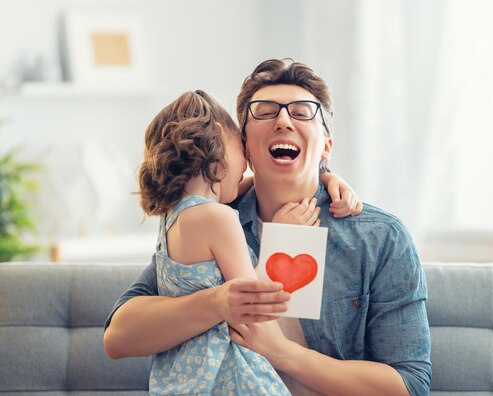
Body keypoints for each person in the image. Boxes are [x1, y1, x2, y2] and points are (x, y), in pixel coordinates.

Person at [104, 59, 431, 395]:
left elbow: (410, 386)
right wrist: (220, 302)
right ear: (243, 146)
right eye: (265, 111)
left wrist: (283, 352)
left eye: (302, 112)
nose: (283, 120)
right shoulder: (212, 221)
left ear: (326, 147)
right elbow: (118, 337)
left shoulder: (380, 236)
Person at [134, 89, 361, 395]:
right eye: (242, 147)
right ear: (218, 139)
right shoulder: (220, 218)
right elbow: (252, 302)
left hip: (182, 372)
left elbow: (263, 180)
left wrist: (324, 176)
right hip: (226, 371)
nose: (246, 166)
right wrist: (281, 235)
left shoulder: (173, 217)